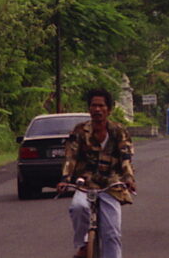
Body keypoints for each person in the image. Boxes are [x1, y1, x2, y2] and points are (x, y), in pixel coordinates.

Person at [58, 89, 136, 258]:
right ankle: (83, 245)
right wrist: (65, 178)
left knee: (112, 233)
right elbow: (70, 156)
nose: (97, 110)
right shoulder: (79, 131)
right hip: (86, 183)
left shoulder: (118, 131)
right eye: (94, 106)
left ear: (109, 109)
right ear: (89, 108)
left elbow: (126, 157)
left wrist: (128, 177)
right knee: (78, 207)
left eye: (101, 106)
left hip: (111, 184)